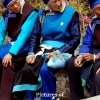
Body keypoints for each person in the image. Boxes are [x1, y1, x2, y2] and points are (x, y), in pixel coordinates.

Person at [13, 0, 81, 100]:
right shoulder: (42, 14)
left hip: (63, 50)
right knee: (28, 69)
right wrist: (31, 53)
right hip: (44, 49)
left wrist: (58, 52)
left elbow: (76, 38)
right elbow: (35, 36)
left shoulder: (71, 13)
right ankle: (33, 98)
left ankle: (48, 98)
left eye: (59, 0)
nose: (58, 4)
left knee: (45, 70)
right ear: (47, 3)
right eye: (54, 1)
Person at [0, 0, 38, 100]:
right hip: (12, 44)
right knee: (7, 63)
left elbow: (24, 36)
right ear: (7, 8)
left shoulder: (31, 12)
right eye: (12, 5)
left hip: (26, 46)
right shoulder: (6, 15)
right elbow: (1, 33)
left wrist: (10, 53)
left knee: (6, 59)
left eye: (16, 2)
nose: (16, 6)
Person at [66, 0, 100, 100]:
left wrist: (95, 57)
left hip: (98, 56)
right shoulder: (93, 23)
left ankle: (94, 96)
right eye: (96, 10)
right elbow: (87, 42)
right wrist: (82, 55)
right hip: (93, 51)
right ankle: (76, 97)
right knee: (71, 63)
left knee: (96, 69)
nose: (99, 12)